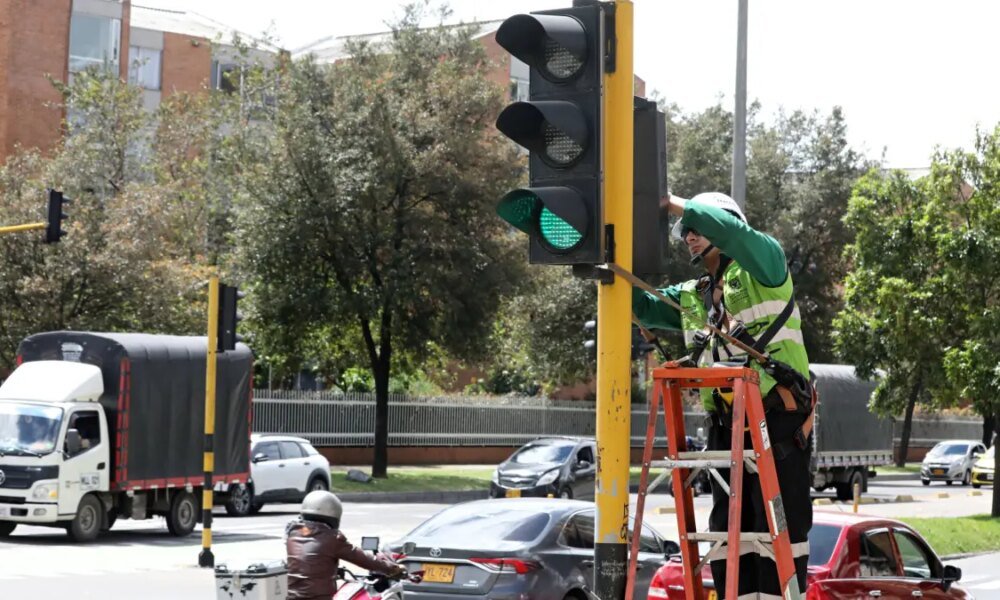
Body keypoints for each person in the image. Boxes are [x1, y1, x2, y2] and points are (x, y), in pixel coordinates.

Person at [632, 192, 813, 598]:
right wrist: (593, 254)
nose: (689, 236)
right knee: (726, 534)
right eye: (685, 232)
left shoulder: (766, 266)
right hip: (726, 429)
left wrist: (669, 201)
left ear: (726, 225)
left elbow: (735, 234)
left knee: (779, 531)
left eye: (698, 228)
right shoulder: (694, 295)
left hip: (778, 424)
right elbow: (641, 304)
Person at [285, 490, 404, 600]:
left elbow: (307, 560)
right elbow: (364, 559)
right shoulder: (331, 538)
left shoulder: (293, 533)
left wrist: (334, 570)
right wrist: (394, 569)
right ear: (333, 516)